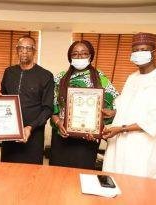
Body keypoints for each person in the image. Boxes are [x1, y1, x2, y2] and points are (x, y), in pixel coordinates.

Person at [102, 32, 156, 181]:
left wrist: (120, 129)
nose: (138, 54)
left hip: (142, 147)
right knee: (115, 184)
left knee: (137, 189)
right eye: (135, 50)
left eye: (143, 50)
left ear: (153, 52)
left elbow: (155, 122)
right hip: (120, 144)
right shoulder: (132, 78)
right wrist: (114, 113)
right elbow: (130, 107)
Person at [49, 40, 118, 169]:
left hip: (87, 140)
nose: (79, 57)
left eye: (84, 53)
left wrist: (100, 123)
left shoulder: (100, 78)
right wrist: (59, 123)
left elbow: (115, 105)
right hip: (62, 137)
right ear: (70, 57)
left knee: (82, 178)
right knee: (58, 177)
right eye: (75, 54)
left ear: (90, 56)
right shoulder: (59, 78)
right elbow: (52, 108)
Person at [0, 35, 54, 165]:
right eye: (21, 48)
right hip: (9, 132)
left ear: (34, 51)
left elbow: (47, 109)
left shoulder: (45, 75)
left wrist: (30, 127)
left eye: (28, 48)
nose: (24, 51)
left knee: (31, 175)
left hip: (33, 134)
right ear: (17, 50)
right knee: (7, 171)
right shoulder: (9, 72)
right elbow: (4, 97)